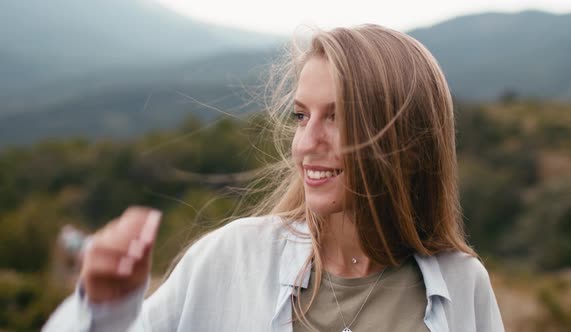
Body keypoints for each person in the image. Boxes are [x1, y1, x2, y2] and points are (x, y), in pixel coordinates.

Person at [43, 24, 504, 332]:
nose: (305, 144)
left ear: (407, 140)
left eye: (338, 118)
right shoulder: (229, 259)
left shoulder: (463, 286)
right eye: (301, 116)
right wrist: (101, 311)